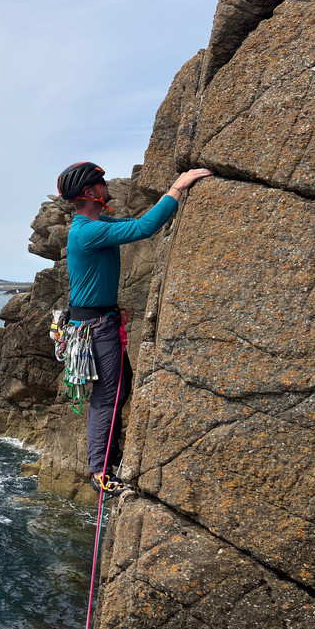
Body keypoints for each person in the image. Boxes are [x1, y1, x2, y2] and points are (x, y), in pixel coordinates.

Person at [56, 161, 211, 495]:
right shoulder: (88, 231)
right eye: (101, 181)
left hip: (98, 323)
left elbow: (133, 224)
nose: (107, 184)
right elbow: (143, 228)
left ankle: (106, 460)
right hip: (97, 327)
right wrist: (178, 187)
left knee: (118, 389)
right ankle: (100, 471)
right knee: (109, 395)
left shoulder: (96, 224)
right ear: (90, 192)